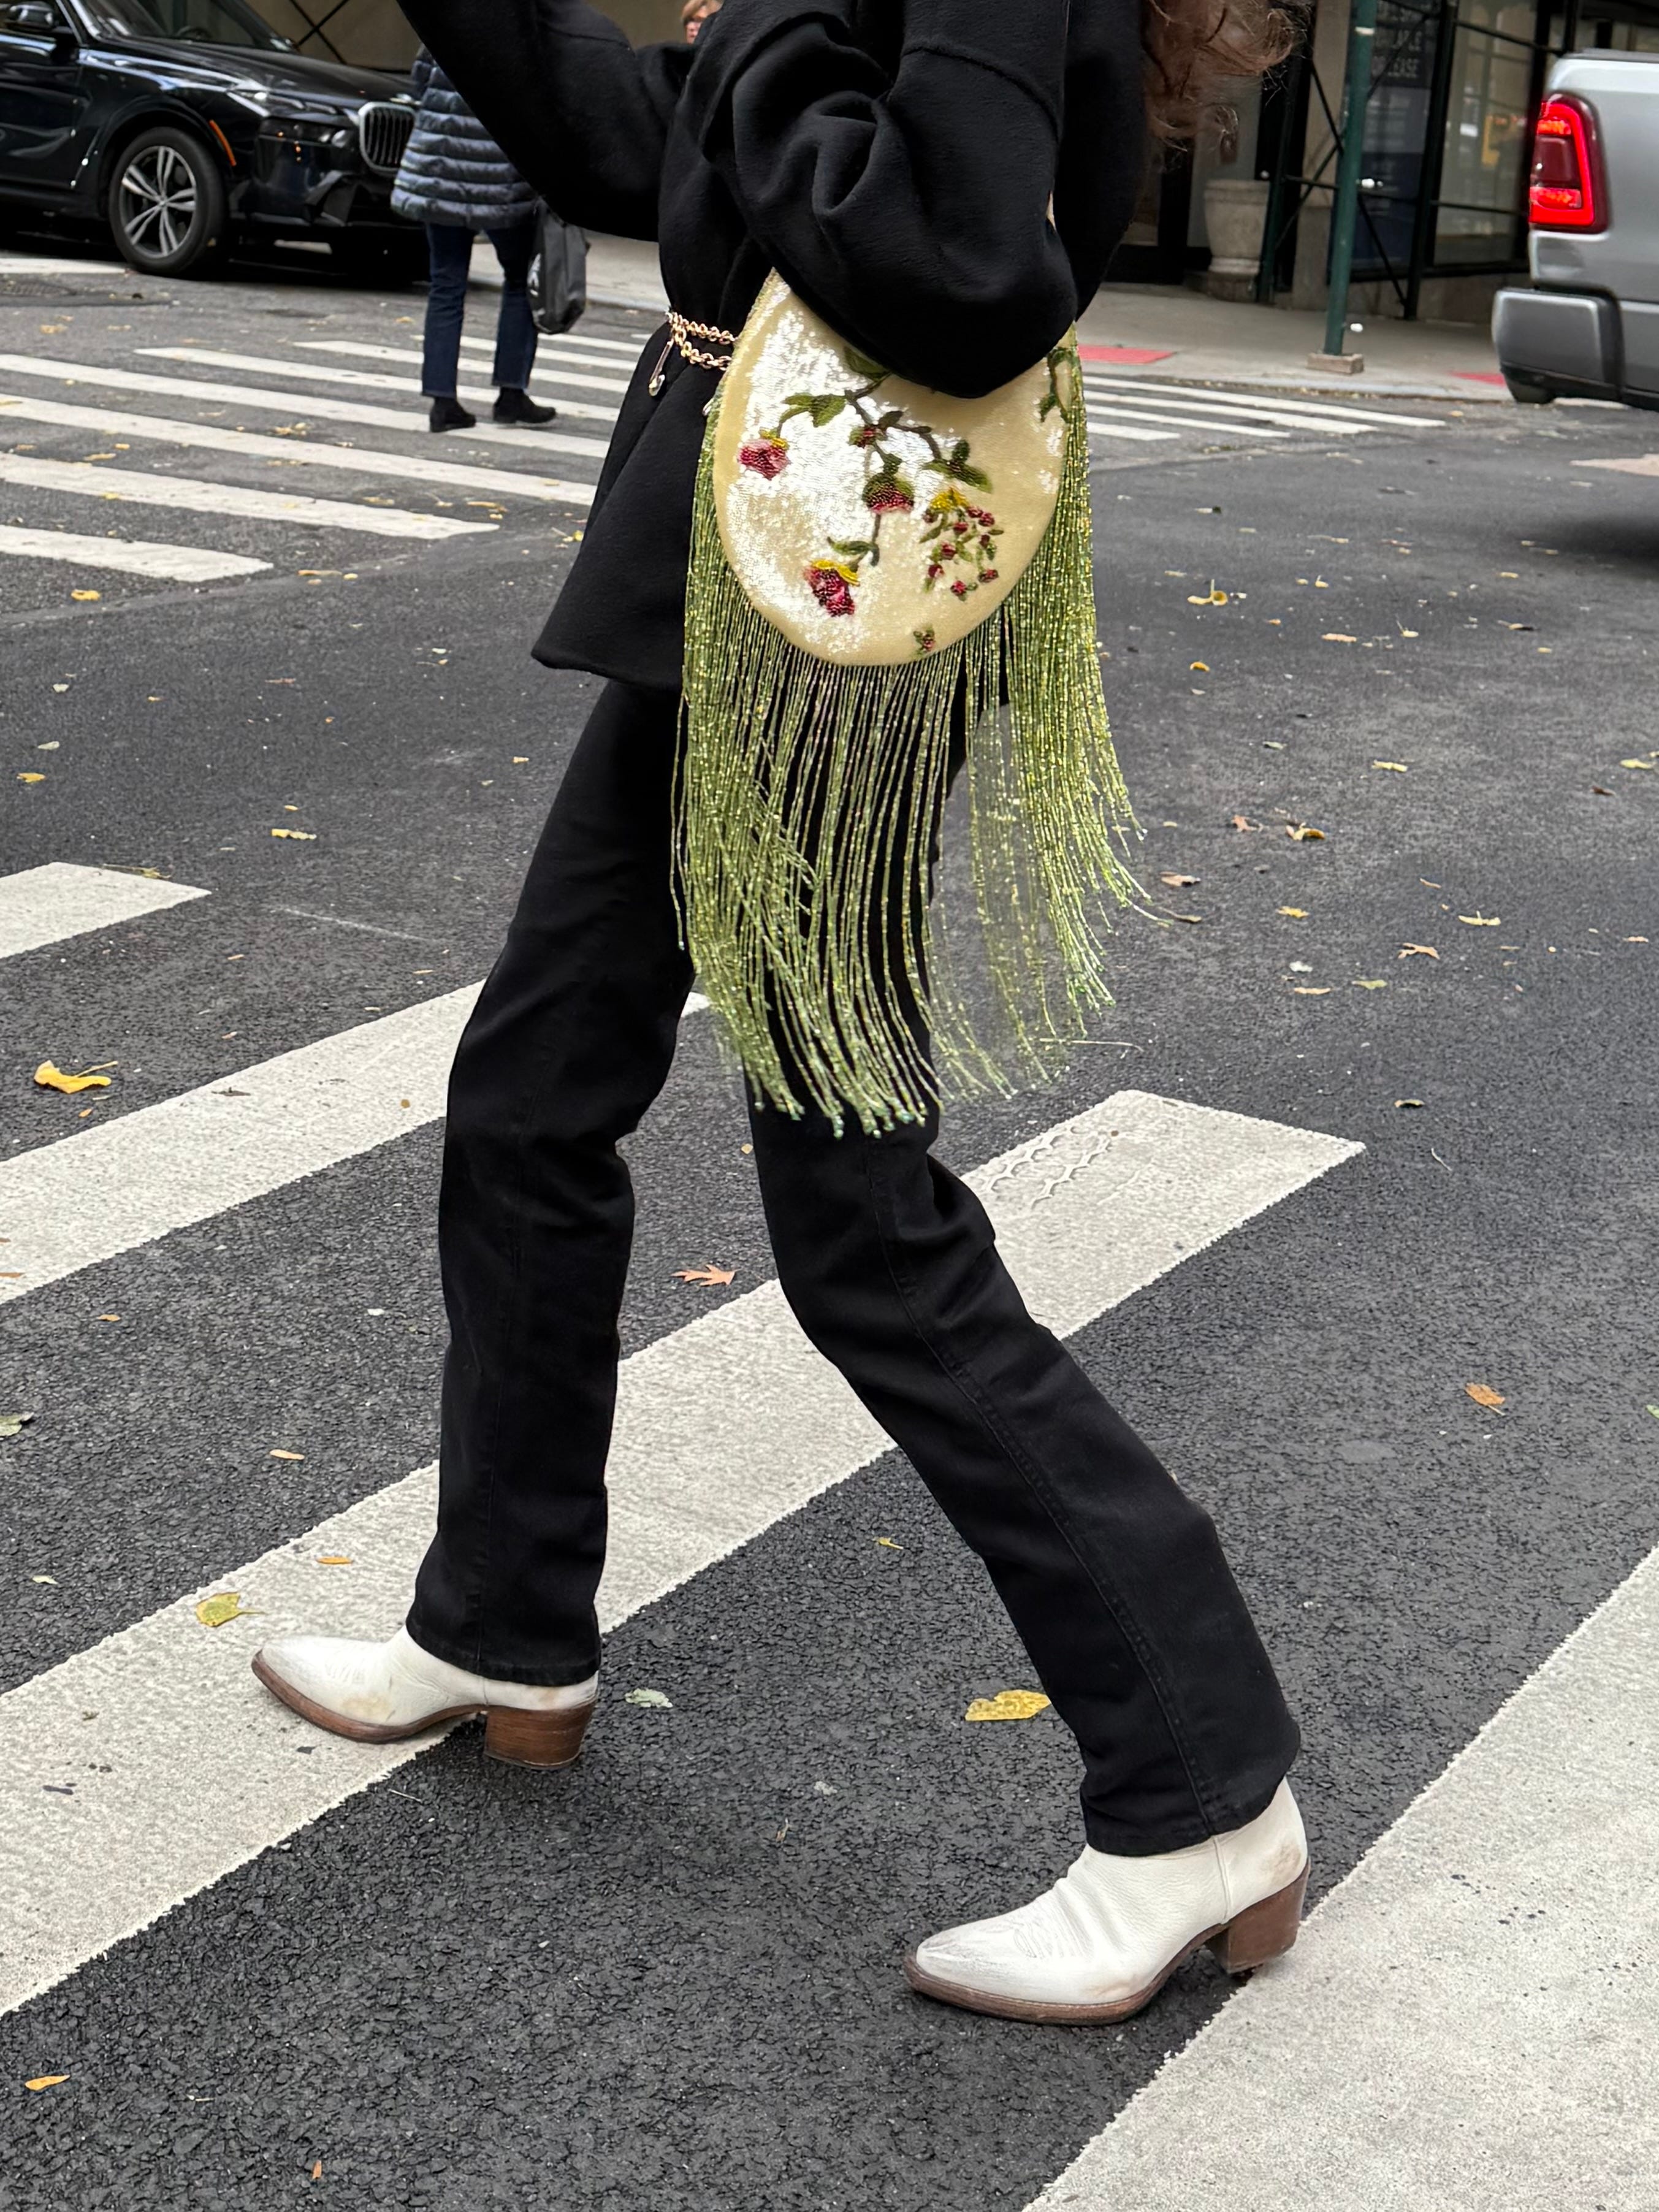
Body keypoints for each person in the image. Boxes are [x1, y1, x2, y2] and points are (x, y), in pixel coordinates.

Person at [254, 0, 1310, 2026]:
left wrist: (754, 43)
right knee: (535, 1090)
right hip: (731, 600)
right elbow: (649, 148)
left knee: (855, 1221)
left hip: (834, 619)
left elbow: (948, 253)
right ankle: (503, 1619)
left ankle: (1198, 1784)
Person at [391, 47, 559, 433]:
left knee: (446, 285)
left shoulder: (445, 18)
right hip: (497, 178)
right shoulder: (519, 29)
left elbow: (420, 81)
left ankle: (442, 401)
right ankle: (511, 394)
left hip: (439, 172)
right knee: (520, 280)